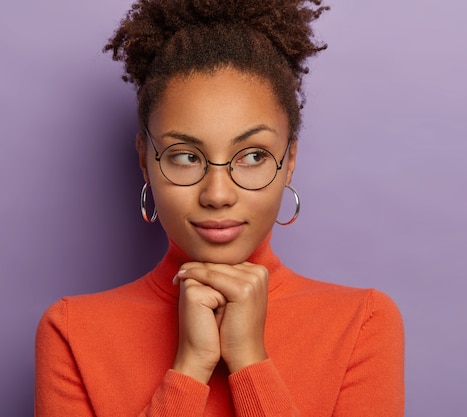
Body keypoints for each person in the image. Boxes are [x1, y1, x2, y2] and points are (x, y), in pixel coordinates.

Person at [34, 0, 405, 415]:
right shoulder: (71, 332)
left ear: (290, 160)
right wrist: (190, 370)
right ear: (144, 158)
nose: (217, 194)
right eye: (186, 156)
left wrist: (249, 362)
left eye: (252, 156)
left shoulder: (363, 323)